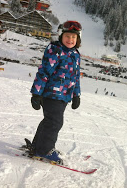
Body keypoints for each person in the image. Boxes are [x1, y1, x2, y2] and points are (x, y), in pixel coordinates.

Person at [29, 20, 82, 164]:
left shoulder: (75, 55)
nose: (70, 40)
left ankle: (37, 146)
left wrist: (76, 95)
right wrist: (36, 93)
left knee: (49, 121)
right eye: (67, 36)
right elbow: (44, 72)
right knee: (55, 122)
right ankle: (45, 149)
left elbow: (76, 77)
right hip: (51, 94)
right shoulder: (55, 50)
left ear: (78, 39)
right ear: (61, 36)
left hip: (64, 96)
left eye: (73, 37)